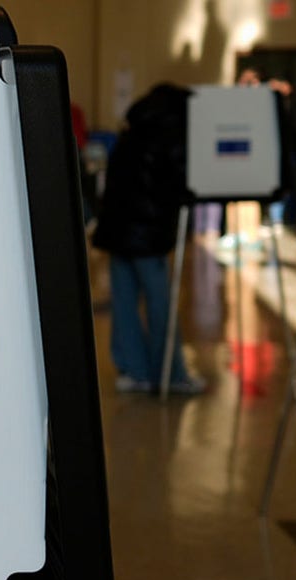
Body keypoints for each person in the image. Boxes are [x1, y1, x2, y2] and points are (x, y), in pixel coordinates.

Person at [92, 84, 206, 395]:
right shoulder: (173, 132)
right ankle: (171, 373)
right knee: (161, 305)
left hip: (117, 230)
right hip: (147, 234)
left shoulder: (132, 131)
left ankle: (134, 371)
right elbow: (185, 182)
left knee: (124, 303)